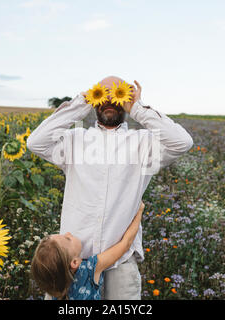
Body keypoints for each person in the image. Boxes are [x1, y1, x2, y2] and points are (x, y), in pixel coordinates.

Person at [27, 77, 193, 299]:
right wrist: (83, 102)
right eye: (103, 94)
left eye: (117, 94)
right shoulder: (76, 140)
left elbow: (183, 142)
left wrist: (138, 108)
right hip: (71, 262)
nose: (110, 100)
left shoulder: (143, 144)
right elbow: (35, 142)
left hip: (120, 261)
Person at [31, 202, 145, 300]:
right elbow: (125, 243)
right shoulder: (89, 270)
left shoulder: (56, 291)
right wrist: (139, 211)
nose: (68, 233)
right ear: (74, 263)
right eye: (67, 239)